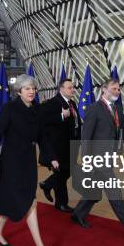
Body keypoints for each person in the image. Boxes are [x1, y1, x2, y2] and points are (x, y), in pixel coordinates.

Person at [0, 74, 61, 246]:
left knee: (16, 200)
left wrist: (51, 156)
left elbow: (42, 136)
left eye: (33, 88)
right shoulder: (9, 109)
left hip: (27, 163)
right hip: (10, 163)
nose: (31, 91)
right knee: (29, 202)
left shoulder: (36, 110)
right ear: (19, 91)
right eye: (27, 88)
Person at [71, 79, 124, 240]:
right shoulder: (94, 109)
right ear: (104, 90)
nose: (117, 91)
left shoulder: (117, 108)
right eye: (114, 89)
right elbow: (86, 136)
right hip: (97, 159)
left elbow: (122, 128)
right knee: (115, 191)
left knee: (94, 191)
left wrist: (123, 145)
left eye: (119, 89)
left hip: (109, 156)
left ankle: (77, 214)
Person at [38, 78, 80, 212]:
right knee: (63, 172)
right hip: (58, 147)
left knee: (66, 171)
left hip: (71, 145)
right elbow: (42, 120)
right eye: (69, 87)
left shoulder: (72, 102)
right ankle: (61, 202)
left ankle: (48, 184)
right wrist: (61, 116)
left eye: (73, 87)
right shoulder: (53, 102)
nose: (72, 89)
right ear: (61, 89)